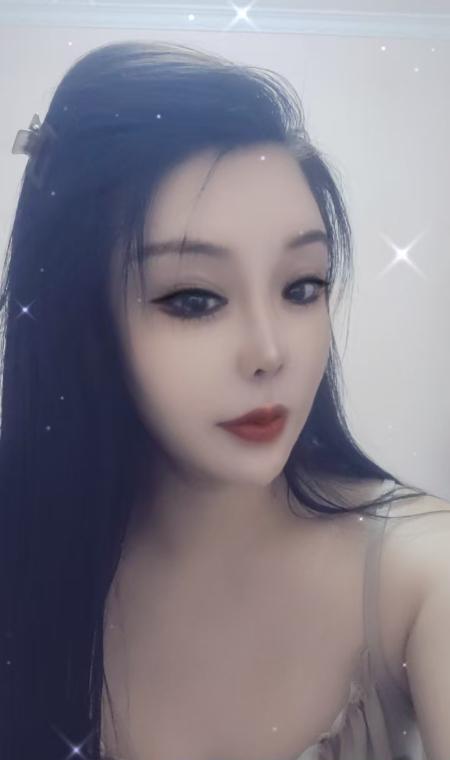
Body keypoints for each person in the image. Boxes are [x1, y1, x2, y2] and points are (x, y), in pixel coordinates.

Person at [1, 40, 448, 760]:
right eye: (195, 298)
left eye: (302, 286)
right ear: (80, 318)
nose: (270, 351)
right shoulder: (27, 565)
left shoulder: (423, 572)